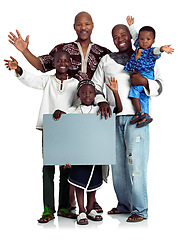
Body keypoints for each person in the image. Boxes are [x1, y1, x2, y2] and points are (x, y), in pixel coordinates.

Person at [8, 11, 111, 212]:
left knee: (91, 154)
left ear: (93, 25)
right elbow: (41, 66)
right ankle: (66, 204)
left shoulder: (103, 52)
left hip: (93, 111)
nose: (83, 27)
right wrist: (24, 51)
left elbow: (112, 74)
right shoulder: (63, 49)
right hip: (68, 114)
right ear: (74, 26)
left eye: (87, 24)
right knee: (65, 160)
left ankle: (89, 196)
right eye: (79, 24)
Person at [92, 23, 164, 222]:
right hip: (112, 118)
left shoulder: (147, 55)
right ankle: (124, 204)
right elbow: (95, 86)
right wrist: (102, 100)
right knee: (118, 165)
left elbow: (160, 86)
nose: (119, 38)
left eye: (123, 34)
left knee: (136, 165)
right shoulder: (106, 60)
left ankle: (140, 210)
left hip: (136, 118)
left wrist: (145, 82)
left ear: (130, 36)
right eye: (115, 36)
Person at [4, 50, 79, 223]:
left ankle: (64, 207)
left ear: (70, 64)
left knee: (66, 168)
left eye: (65, 60)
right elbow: (31, 80)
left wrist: (65, 112)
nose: (62, 63)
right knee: (48, 168)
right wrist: (19, 70)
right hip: (50, 129)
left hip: (68, 130)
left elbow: (78, 104)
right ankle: (47, 209)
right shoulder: (48, 80)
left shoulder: (75, 83)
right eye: (58, 60)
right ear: (53, 63)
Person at [53, 79, 122, 225]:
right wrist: (59, 112)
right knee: (79, 183)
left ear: (95, 94)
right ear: (78, 94)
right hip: (79, 154)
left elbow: (118, 110)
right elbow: (63, 124)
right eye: (83, 92)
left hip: (95, 154)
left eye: (91, 92)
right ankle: (81, 210)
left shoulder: (100, 109)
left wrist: (115, 92)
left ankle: (91, 208)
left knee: (93, 183)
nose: (87, 95)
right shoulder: (74, 110)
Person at [124, 16, 174, 127]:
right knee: (144, 96)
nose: (144, 41)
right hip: (138, 73)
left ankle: (139, 113)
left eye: (148, 39)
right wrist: (131, 25)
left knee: (134, 91)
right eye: (142, 39)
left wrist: (162, 48)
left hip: (145, 75)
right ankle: (145, 116)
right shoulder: (138, 45)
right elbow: (134, 35)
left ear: (153, 41)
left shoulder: (151, 51)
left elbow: (156, 50)